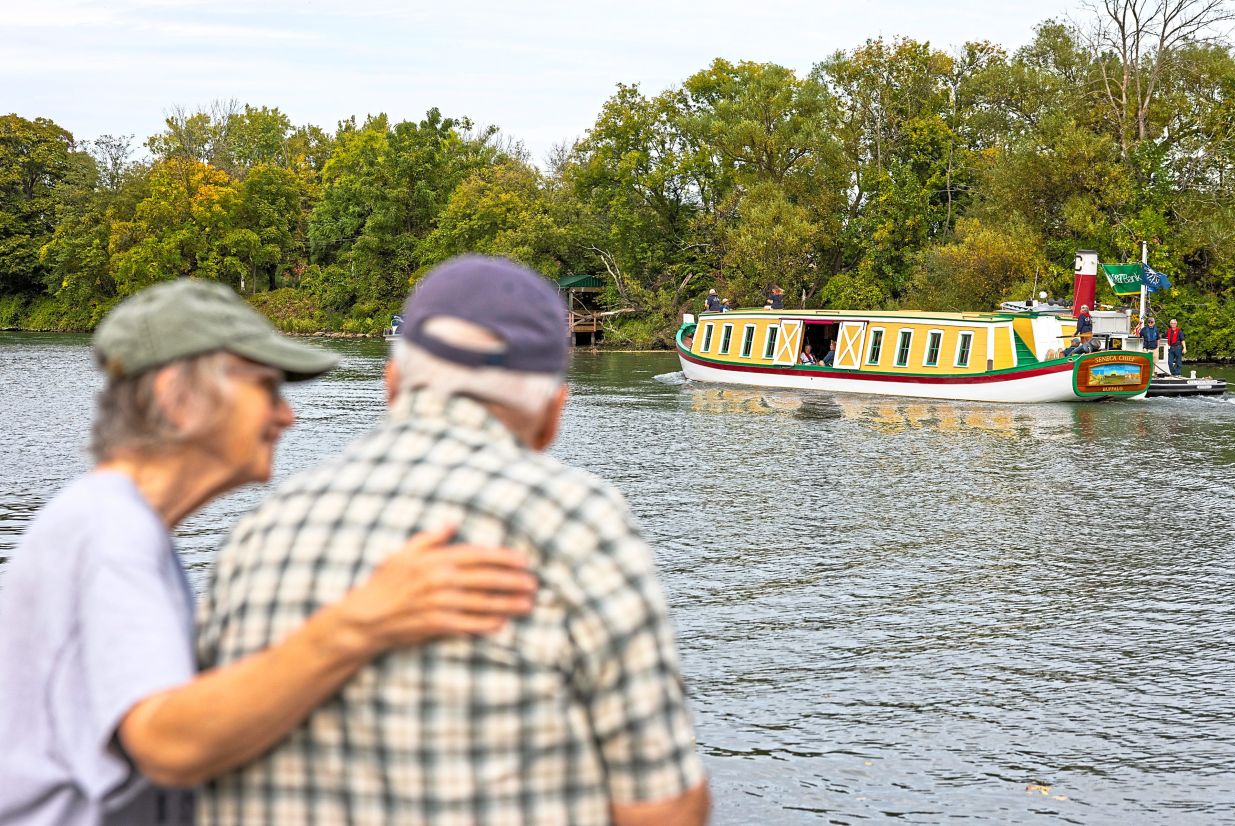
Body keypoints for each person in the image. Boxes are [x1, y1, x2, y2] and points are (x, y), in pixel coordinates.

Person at [0, 280, 538, 826]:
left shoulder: (110, 520)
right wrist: (364, 620)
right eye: (267, 389)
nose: (288, 417)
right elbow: (169, 743)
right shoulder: (111, 533)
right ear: (178, 398)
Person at [198, 256, 710, 826]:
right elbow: (662, 807)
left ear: (392, 383)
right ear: (551, 416)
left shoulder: (258, 529)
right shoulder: (580, 521)